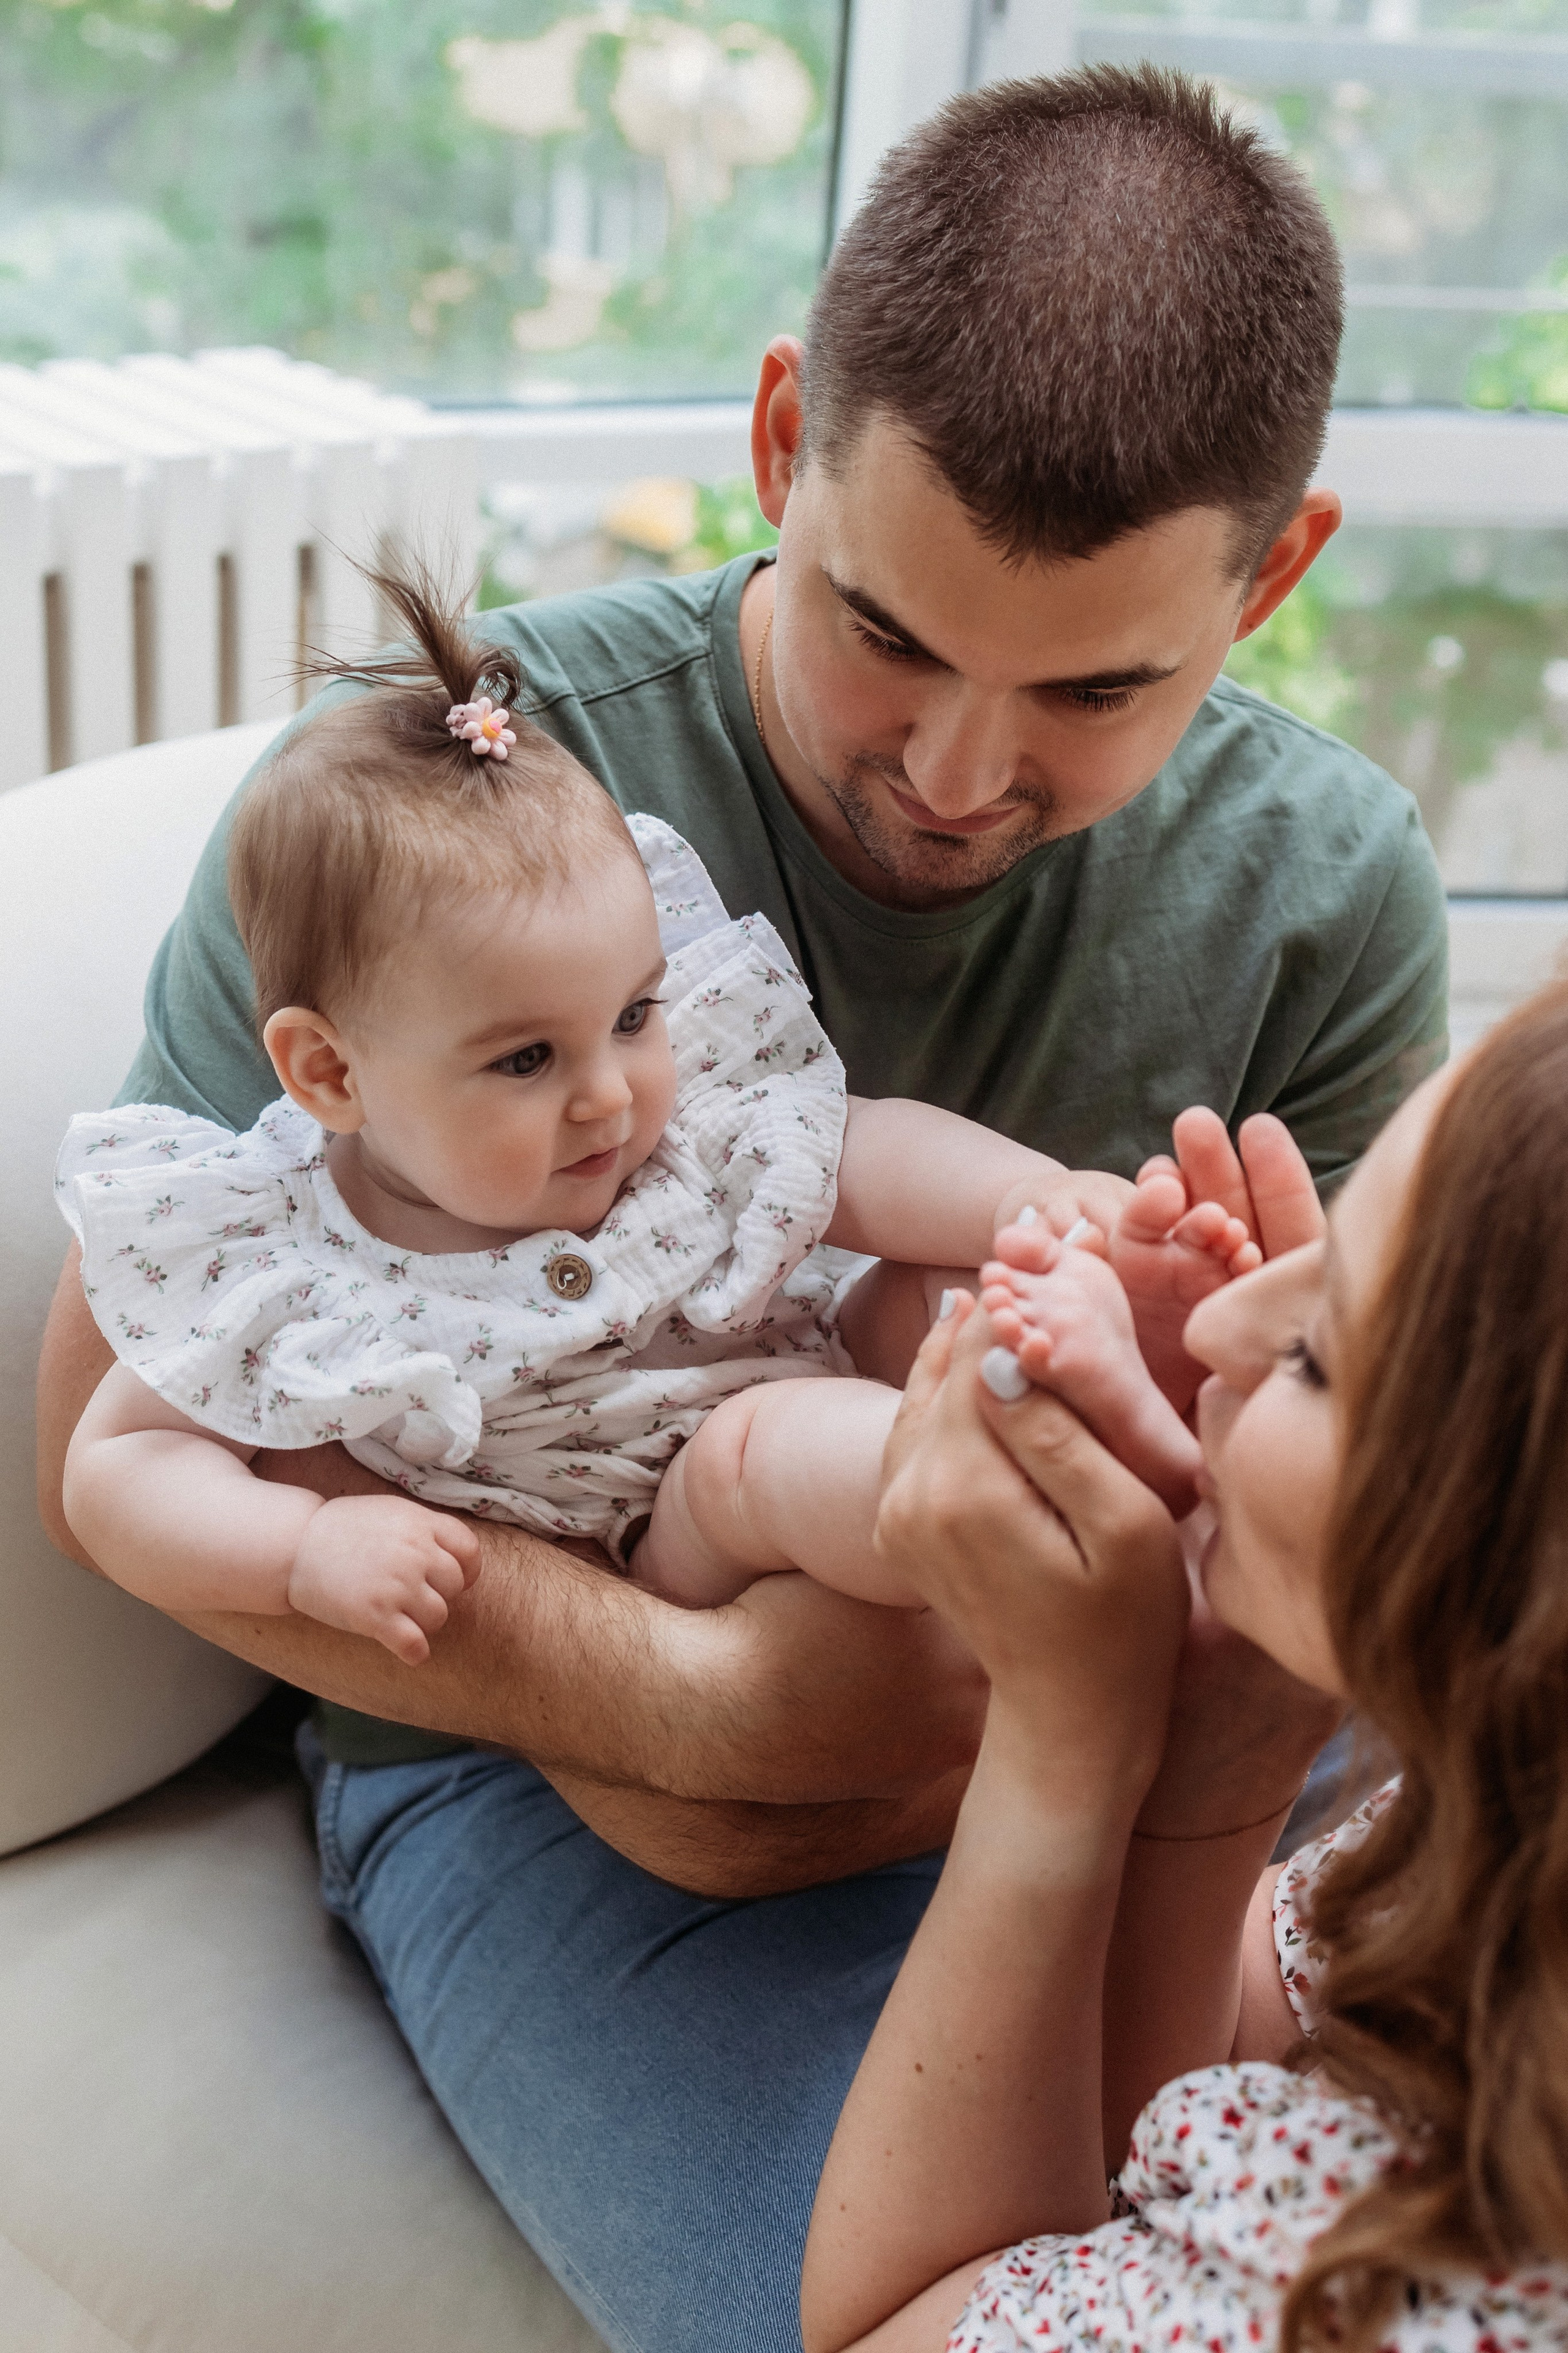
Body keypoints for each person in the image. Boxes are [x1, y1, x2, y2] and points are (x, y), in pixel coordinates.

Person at [36, 65, 1446, 2353]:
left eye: (1097, 689)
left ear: (1274, 576)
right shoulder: (442, 813)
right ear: (784, 441)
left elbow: (1356, 1534)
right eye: (889, 634)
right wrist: (699, 1717)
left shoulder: (1331, 887)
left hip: (1150, 1714)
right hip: (537, 1784)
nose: (963, 778)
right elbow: (121, 1442)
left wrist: (1157, 1624)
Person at [56, 569, 1244, 1646]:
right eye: (525, 1061)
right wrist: (302, 1552)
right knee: (760, 1451)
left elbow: (855, 1150)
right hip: (663, 1548)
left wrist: (1042, 1201)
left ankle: (1118, 1367)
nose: (611, 1094)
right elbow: (116, 1467)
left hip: (825, 1362)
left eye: (633, 1014)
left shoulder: (667, 1127)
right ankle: (999, 1491)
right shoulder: (285, 1257)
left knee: (955, 1293)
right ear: (330, 1075)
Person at [801, 984, 1568, 2353]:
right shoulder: (1508, 1836)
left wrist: (1062, 1745)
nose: (1219, 1332)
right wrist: (1232, 1704)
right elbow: (1164, 2115)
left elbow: (883, 2331)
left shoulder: (1385, 2295)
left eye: (1319, 1350)